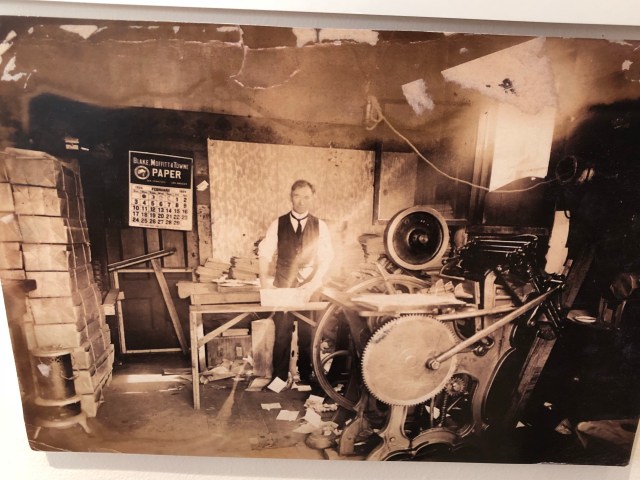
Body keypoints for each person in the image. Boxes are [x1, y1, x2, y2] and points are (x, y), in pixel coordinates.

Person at [258, 179, 334, 388]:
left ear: (312, 198)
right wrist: (264, 283)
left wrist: (313, 284)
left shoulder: (320, 226)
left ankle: (307, 375)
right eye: (297, 196)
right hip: (283, 285)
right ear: (290, 197)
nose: (301, 201)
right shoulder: (278, 223)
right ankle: (279, 379)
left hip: (311, 285)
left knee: (309, 333)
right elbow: (264, 253)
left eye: (306, 197)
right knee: (282, 333)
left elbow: (327, 257)